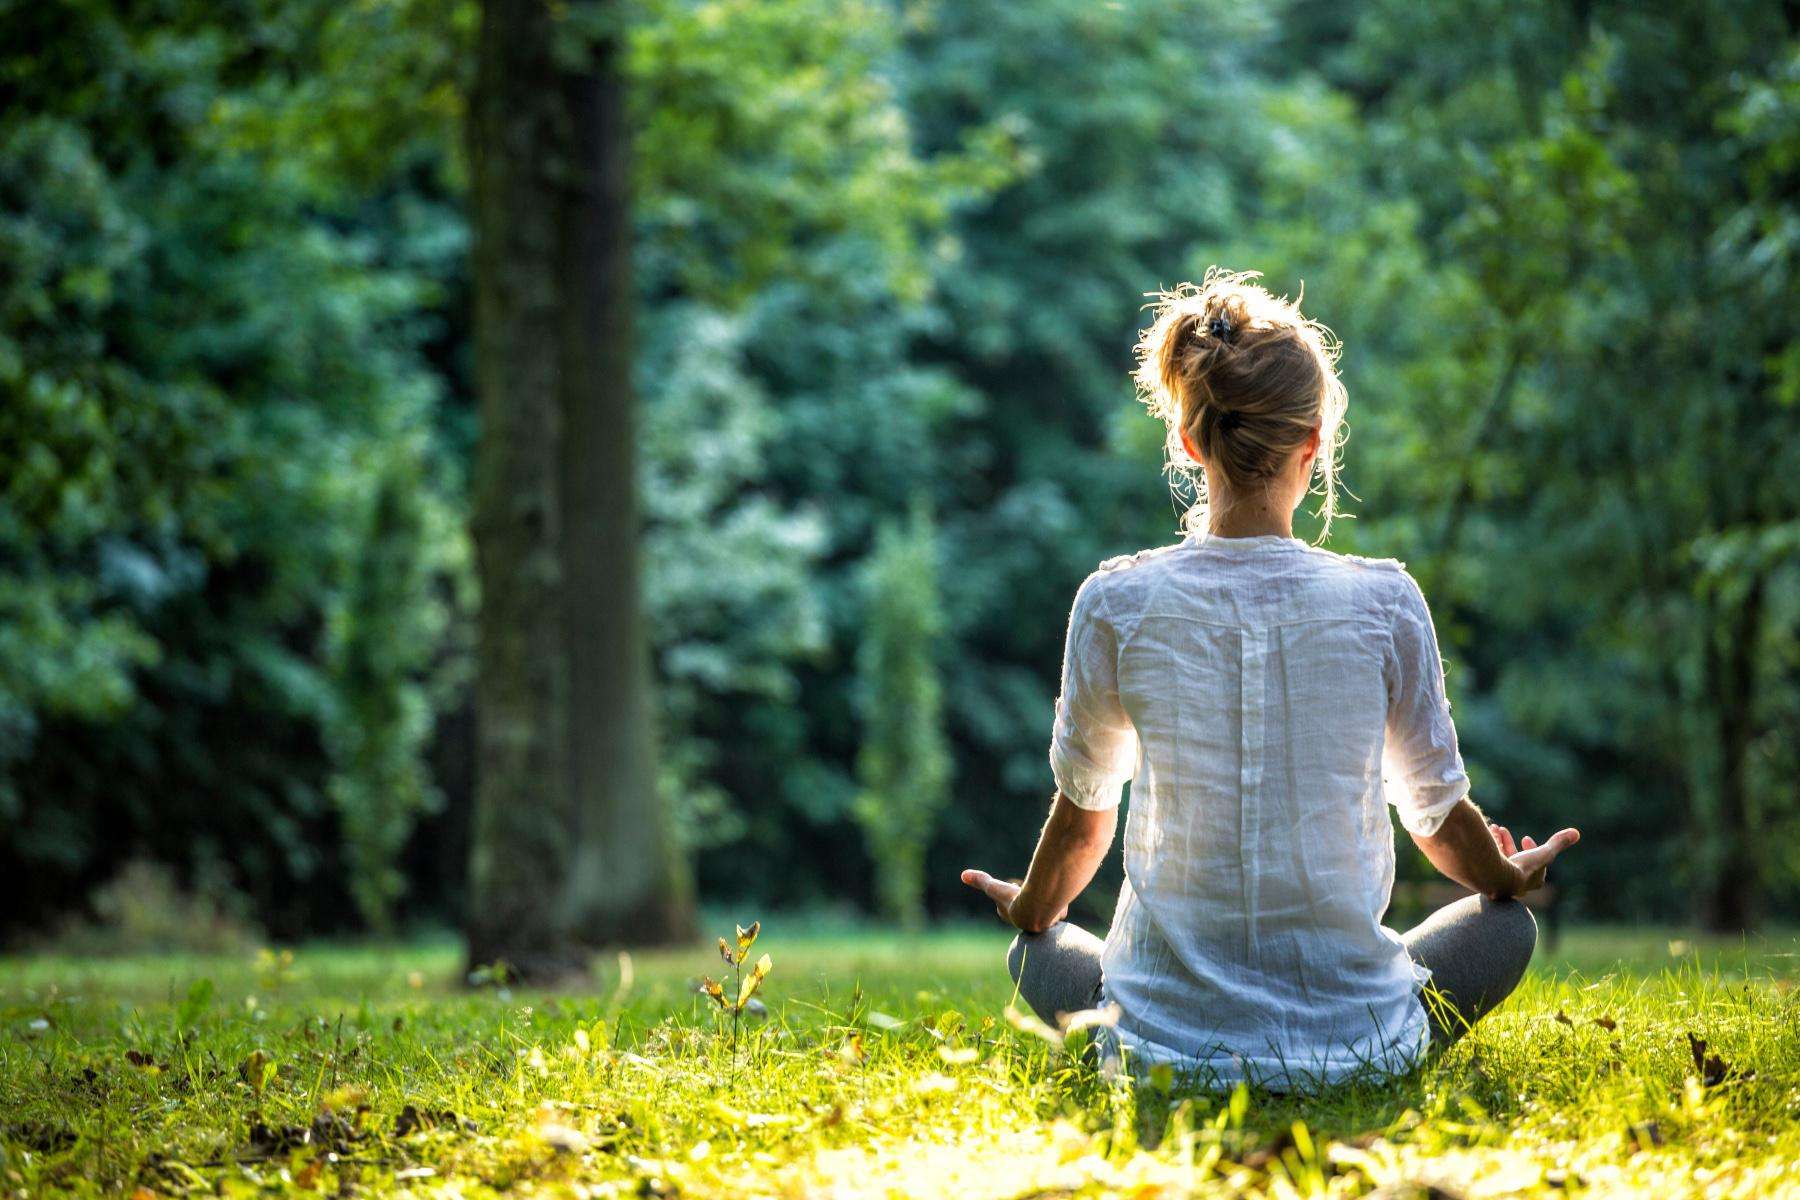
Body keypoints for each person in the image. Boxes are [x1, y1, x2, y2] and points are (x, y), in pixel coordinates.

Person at [959, 268, 1580, 1089]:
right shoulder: (1384, 602)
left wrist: (1032, 909)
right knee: (1507, 933)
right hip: (1354, 1043)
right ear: (1313, 444)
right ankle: (1364, 1047)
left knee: (1033, 950)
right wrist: (1505, 876)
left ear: (1189, 441)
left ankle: (1152, 1025)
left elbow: (1082, 826)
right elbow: (1435, 817)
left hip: (1159, 1052)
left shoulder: (1115, 601)